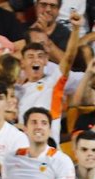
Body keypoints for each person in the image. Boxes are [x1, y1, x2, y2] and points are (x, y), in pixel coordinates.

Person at [16, 9, 81, 145]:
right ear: (22, 62)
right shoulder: (15, 90)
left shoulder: (53, 82)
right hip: (22, 151)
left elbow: (68, 58)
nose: (36, 60)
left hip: (49, 150)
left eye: (40, 56)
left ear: (46, 61)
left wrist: (76, 29)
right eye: (30, 56)